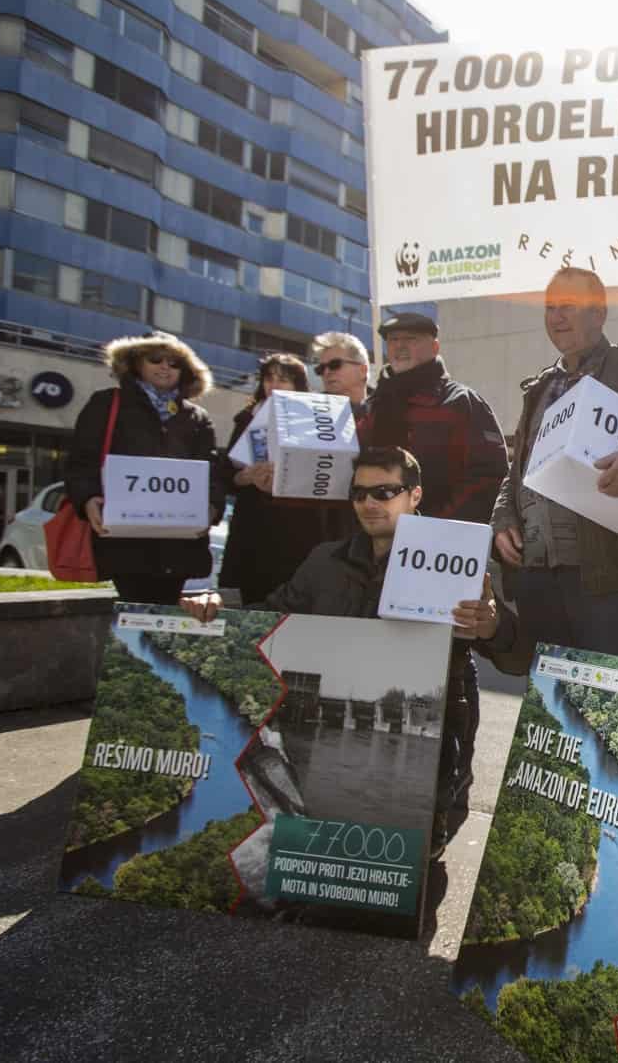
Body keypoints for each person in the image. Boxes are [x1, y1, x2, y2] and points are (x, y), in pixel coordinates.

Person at [181, 446, 528, 931]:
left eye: (385, 491)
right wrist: (221, 602)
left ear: (415, 495)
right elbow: (272, 613)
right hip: (328, 730)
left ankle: (433, 823)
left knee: (399, 873)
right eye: (360, 493)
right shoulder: (325, 561)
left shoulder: (455, 557)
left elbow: (515, 656)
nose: (370, 503)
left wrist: (490, 626)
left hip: (426, 736)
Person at [491, 267, 618, 658]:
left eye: (568, 306)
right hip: (537, 575)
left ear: (598, 314)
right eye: (550, 307)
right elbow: (520, 471)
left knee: (610, 700)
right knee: (553, 704)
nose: (556, 317)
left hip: (606, 576)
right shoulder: (540, 387)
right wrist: (503, 518)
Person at [65, 331, 224, 604]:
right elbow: (82, 462)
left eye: (174, 363)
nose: (165, 366)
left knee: (166, 614)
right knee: (132, 611)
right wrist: (88, 499)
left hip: (179, 544)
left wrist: (212, 507)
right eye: (155, 359)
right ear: (136, 363)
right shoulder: (105, 404)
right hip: (125, 541)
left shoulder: (197, 417)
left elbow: (212, 472)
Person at [365, 312, 509, 523]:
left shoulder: (460, 402)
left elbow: (488, 478)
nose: (399, 347)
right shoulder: (374, 405)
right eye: (393, 340)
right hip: (375, 538)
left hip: (438, 540)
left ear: (435, 348)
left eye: (410, 339)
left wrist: (433, 524)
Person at [216, 353, 327, 605]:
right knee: (245, 598)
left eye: (284, 379)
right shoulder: (246, 417)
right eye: (269, 378)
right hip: (252, 525)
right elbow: (225, 473)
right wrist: (244, 477)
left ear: (298, 384)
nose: (274, 385)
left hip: (296, 527)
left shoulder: (315, 418)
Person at [310, 330, 372, 414]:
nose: (326, 372)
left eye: (335, 365)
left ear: (362, 370)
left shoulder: (387, 411)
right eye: (321, 368)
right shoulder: (309, 412)